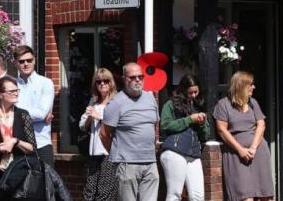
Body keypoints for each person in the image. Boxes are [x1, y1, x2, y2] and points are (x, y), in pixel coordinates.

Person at [100, 62, 160, 201]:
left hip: (150, 162)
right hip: (127, 165)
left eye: (140, 76)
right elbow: (104, 134)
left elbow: (154, 125)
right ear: (124, 79)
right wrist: (118, 155)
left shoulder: (150, 98)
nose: (137, 80)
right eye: (132, 77)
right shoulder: (116, 103)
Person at [213, 71, 274, 201]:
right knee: (245, 196)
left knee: (266, 195)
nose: (254, 87)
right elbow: (222, 130)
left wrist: (253, 147)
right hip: (236, 155)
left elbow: (261, 125)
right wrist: (241, 150)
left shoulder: (253, 103)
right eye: (250, 84)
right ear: (241, 85)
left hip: (258, 152)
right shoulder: (223, 104)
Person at [159, 74, 210, 201]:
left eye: (195, 92)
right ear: (183, 90)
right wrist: (189, 120)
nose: (193, 95)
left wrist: (203, 124)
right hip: (175, 150)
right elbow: (165, 126)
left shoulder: (198, 104)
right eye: (190, 92)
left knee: (198, 196)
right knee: (174, 195)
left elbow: (206, 135)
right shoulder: (170, 104)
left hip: (194, 153)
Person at [79, 68, 118, 201]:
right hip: (93, 151)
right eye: (98, 81)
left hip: (109, 152)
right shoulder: (93, 101)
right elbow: (82, 126)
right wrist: (90, 117)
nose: (102, 84)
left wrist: (99, 117)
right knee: (89, 192)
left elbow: (120, 124)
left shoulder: (117, 102)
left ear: (111, 83)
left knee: (105, 192)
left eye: (105, 81)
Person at [14, 45, 56, 165]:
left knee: (45, 183)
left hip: (41, 143)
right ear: (15, 63)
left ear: (34, 60)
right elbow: (5, 112)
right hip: (19, 145)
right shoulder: (12, 85)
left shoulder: (45, 83)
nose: (26, 64)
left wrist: (16, 114)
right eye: (22, 61)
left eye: (29, 60)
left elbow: (41, 114)